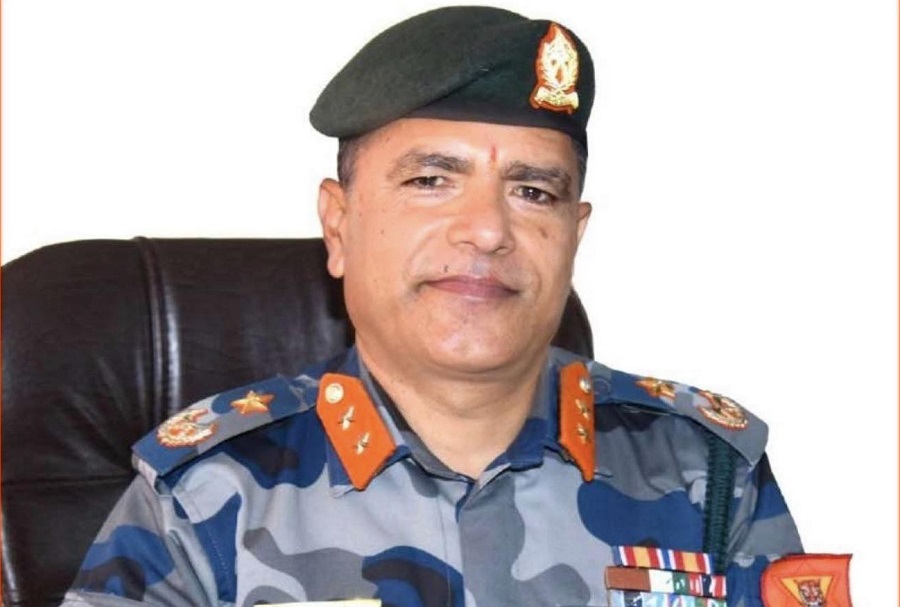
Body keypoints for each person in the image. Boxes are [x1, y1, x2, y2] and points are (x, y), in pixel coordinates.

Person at [62, 6, 803, 606]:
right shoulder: (204, 496)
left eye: (533, 191)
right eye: (430, 181)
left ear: (573, 236)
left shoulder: (708, 474)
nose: (487, 229)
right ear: (339, 226)